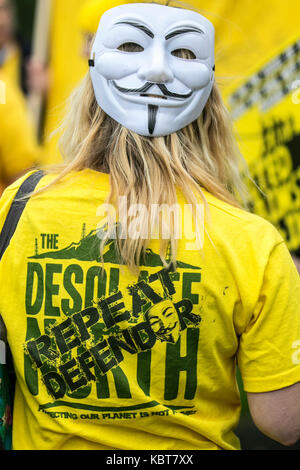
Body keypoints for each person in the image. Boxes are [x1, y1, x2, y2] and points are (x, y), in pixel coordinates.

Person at [0, 0, 300, 451]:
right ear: (212, 105)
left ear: (89, 90)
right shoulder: (252, 243)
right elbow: (285, 421)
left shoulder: (20, 206)